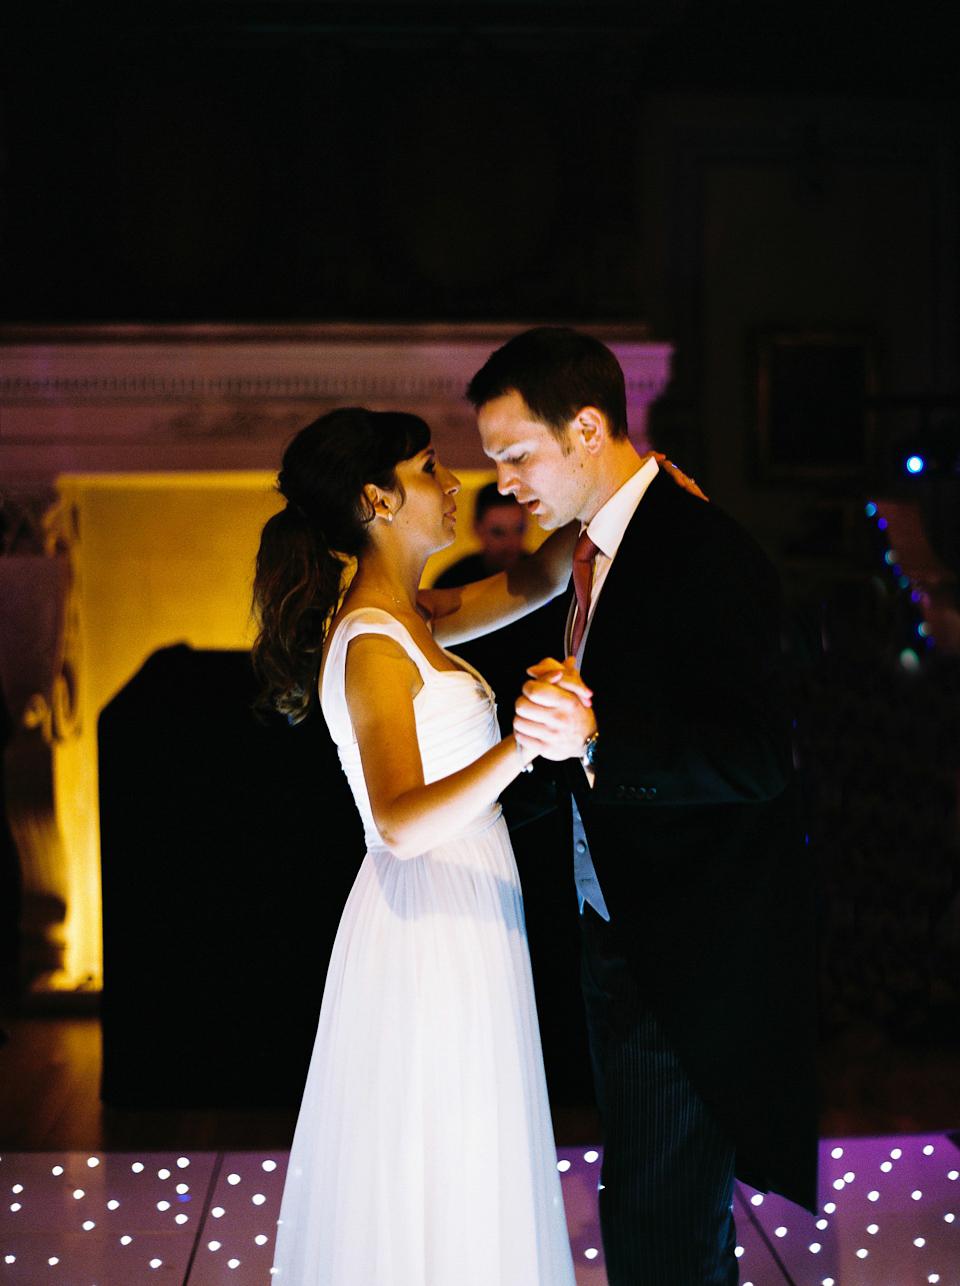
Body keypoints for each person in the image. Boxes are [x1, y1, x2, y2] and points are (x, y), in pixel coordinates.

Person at [466, 328, 818, 1286]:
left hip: (683, 953)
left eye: (514, 455)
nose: (501, 485)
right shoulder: (596, 549)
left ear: (585, 428)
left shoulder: (696, 546)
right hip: (619, 933)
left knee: (661, 1240)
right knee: (656, 1223)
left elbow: (758, 758)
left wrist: (591, 739)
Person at [252, 407, 577, 1286]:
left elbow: (538, 580)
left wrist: (607, 491)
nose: (453, 482)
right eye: (430, 467)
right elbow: (396, 820)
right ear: (376, 498)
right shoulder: (371, 645)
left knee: (468, 1156)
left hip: (464, 906)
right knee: (444, 1156)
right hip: (430, 919)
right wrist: (523, 745)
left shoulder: (413, 614)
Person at [433, 482, 529, 588]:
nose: (511, 541)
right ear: (477, 529)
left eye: (519, 529)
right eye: (498, 532)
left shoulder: (544, 576)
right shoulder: (451, 583)